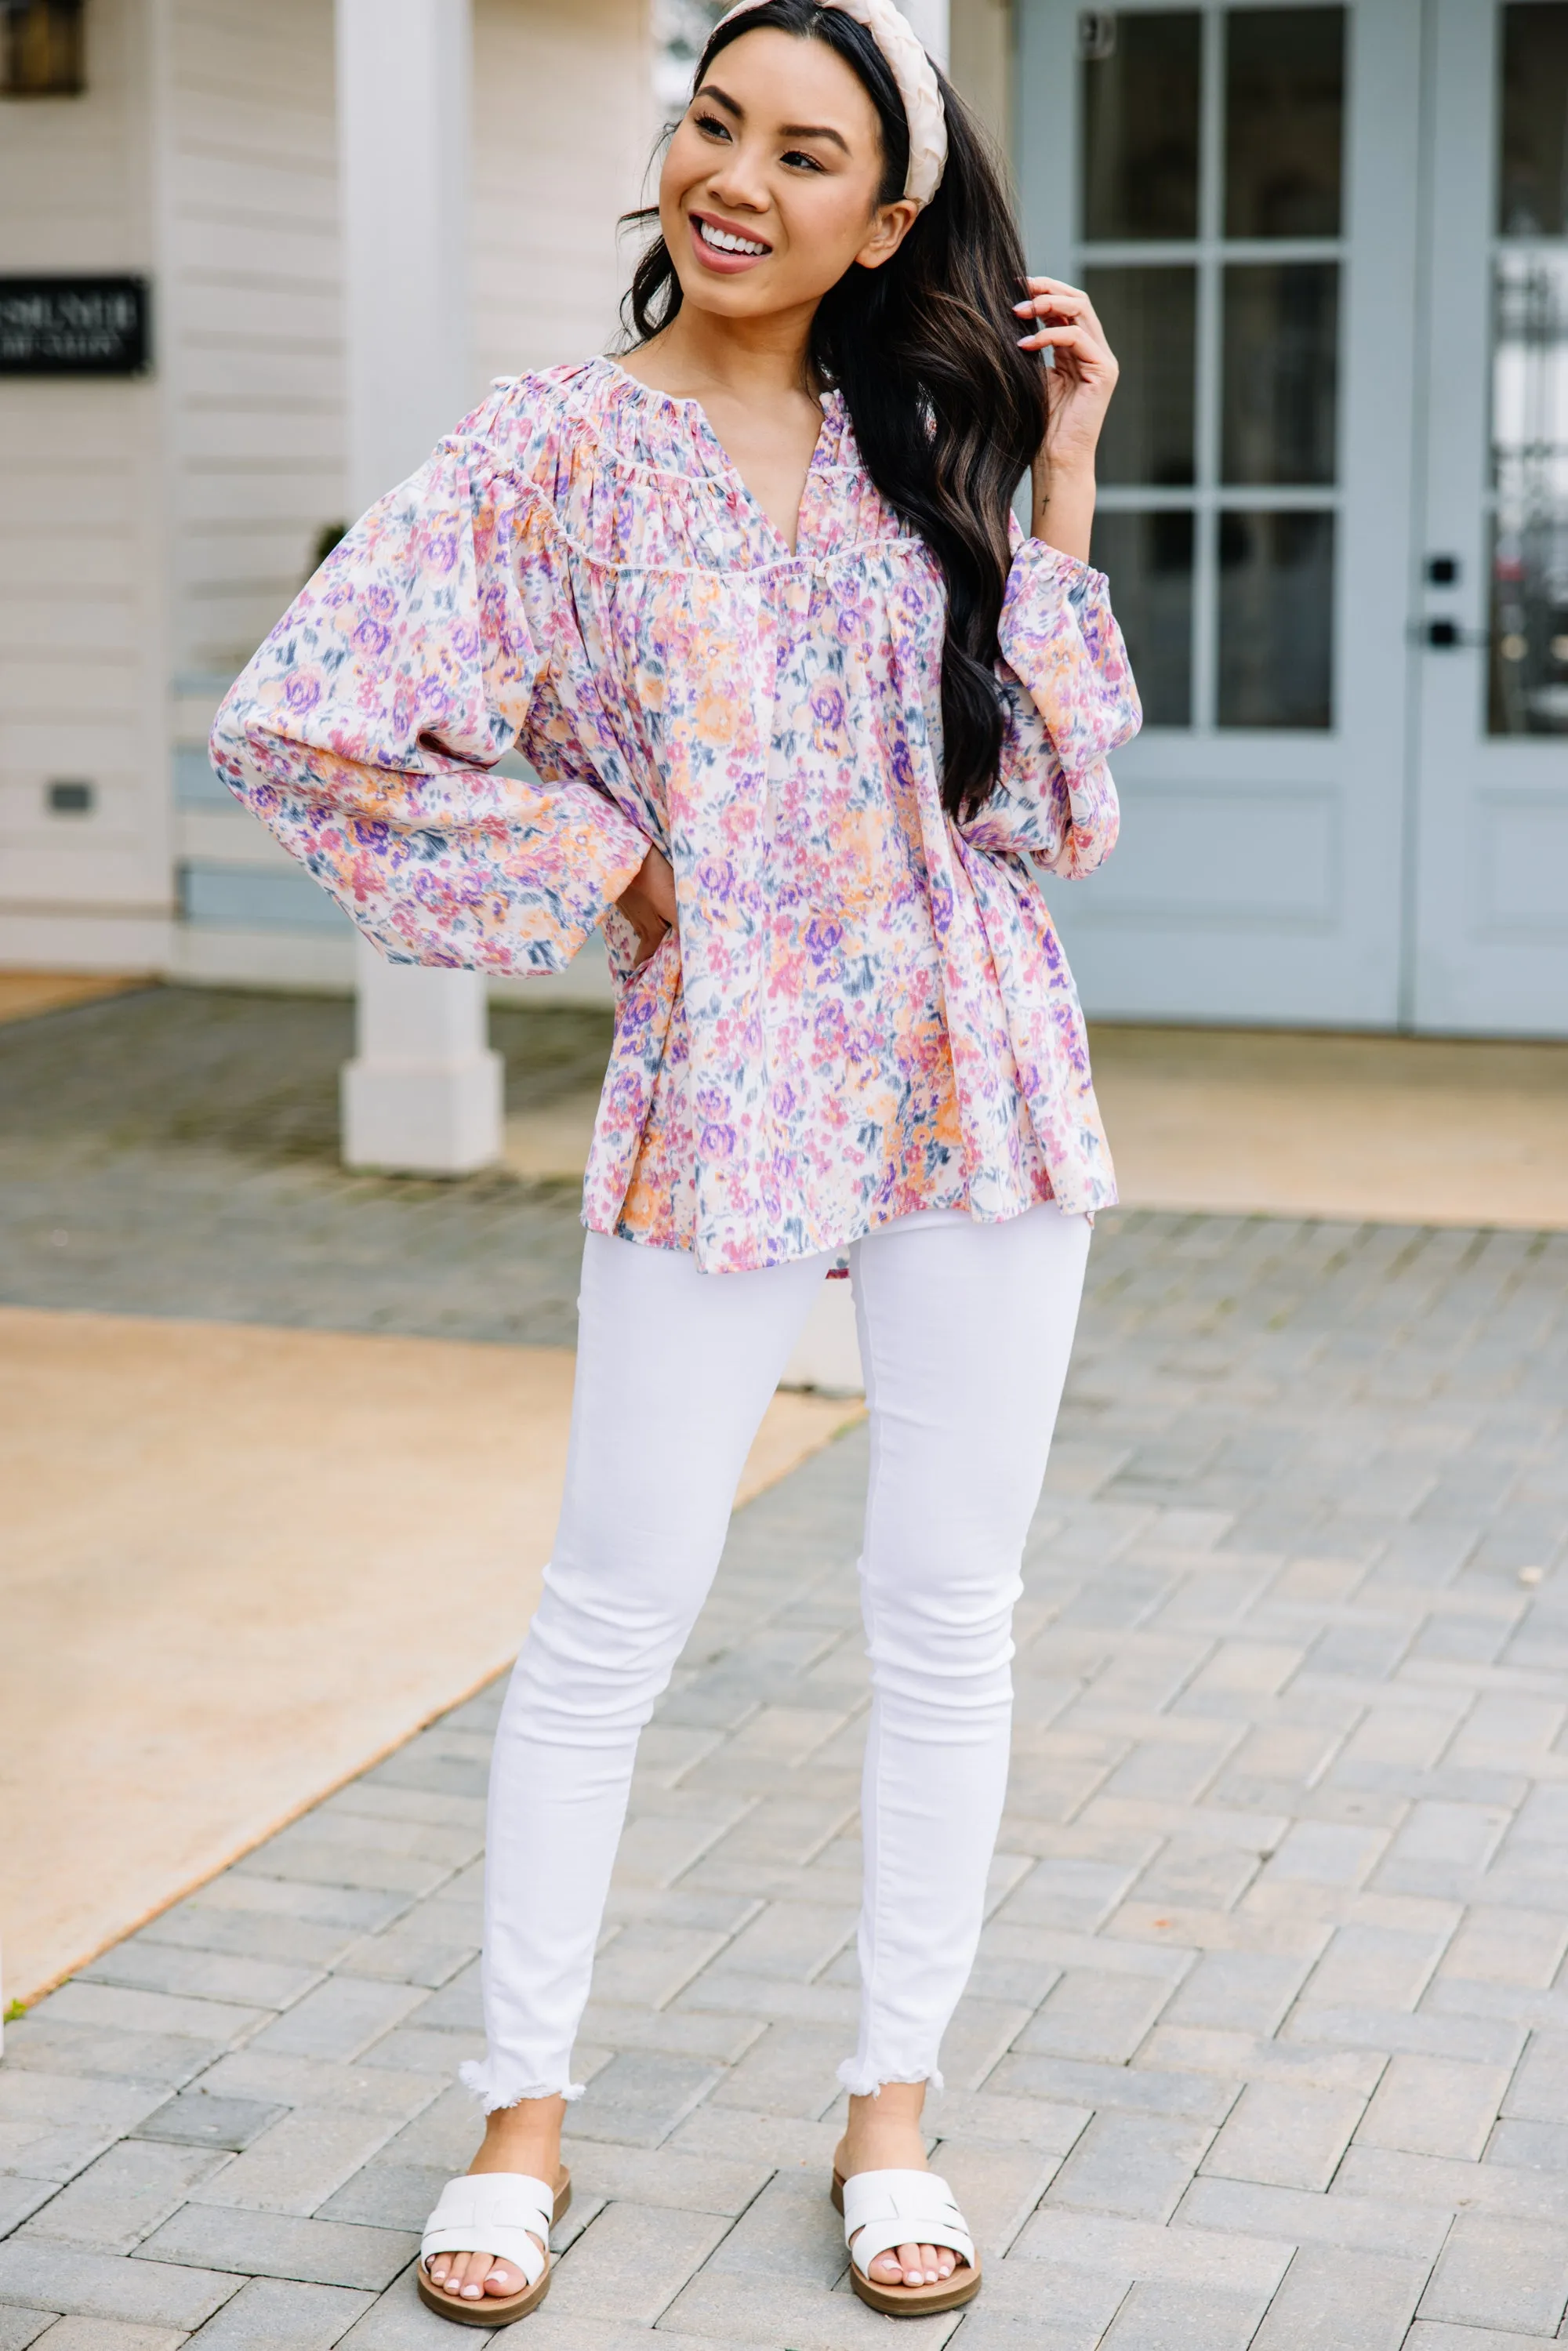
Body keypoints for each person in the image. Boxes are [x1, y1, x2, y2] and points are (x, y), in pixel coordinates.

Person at [211, 0, 1136, 2320]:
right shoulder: (547, 453)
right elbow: (296, 719)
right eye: (713, 121)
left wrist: (1063, 490)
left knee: (948, 1617)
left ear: (884, 217)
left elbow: (1055, 812)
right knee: (609, 1610)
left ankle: (892, 2105)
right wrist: (603, 858)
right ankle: (520, 2112)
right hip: (721, 1072)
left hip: (971, 1065)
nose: (736, 173)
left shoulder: (929, 438)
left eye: (804, 150)